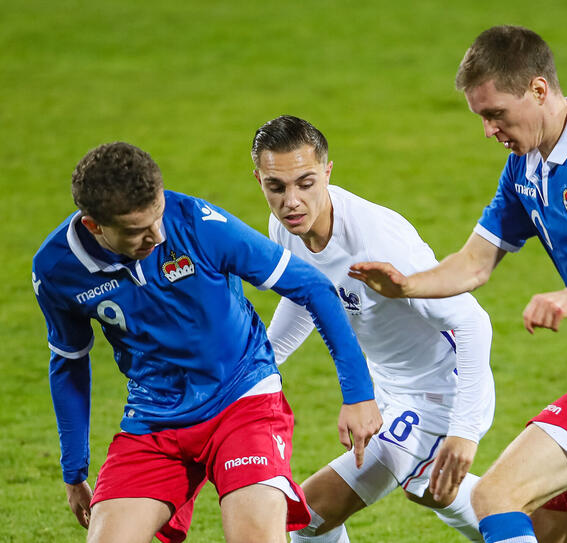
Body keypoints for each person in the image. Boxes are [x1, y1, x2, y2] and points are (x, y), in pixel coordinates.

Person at [349, 25, 567, 543]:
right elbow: (475, 263)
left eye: (495, 114)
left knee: (494, 496)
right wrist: (406, 285)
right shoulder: (524, 169)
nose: (489, 130)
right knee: (544, 531)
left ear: (537, 90)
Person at [31, 141, 382, 543]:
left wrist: (357, 393)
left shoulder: (197, 223)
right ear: (94, 226)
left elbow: (314, 288)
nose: (157, 236)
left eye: (158, 216)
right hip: (154, 419)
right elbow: (69, 362)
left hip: (243, 401)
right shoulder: (56, 269)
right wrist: (74, 472)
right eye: (136, 231)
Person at [251, 115, 496, 542]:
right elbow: (307, 298)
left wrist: (464, 430)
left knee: (307, 517)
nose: (292, 201)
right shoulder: (288, 227)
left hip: (441, 387)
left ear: (328, 171)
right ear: (259, 179)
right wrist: (252, 371)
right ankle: (523, 525)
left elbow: (473, 322)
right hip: (389, 384)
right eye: (277, 187)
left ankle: (521, 521)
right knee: (430, 489)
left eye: (306, 183)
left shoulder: (376, 243)